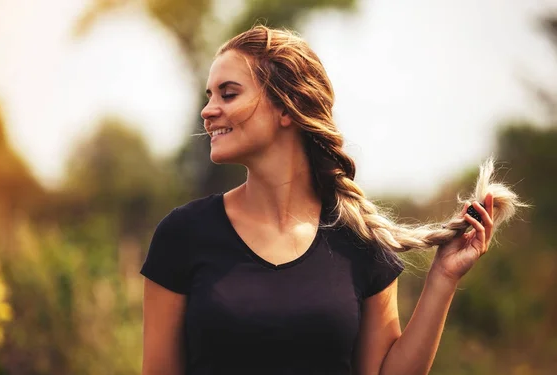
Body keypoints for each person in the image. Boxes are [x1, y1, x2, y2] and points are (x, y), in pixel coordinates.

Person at [140, 25, 525, 375]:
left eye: (229, 93)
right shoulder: (183, 235)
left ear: (286, 106)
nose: (208, 111)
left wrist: (443, 279)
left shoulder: (358, 240)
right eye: (210, 96)